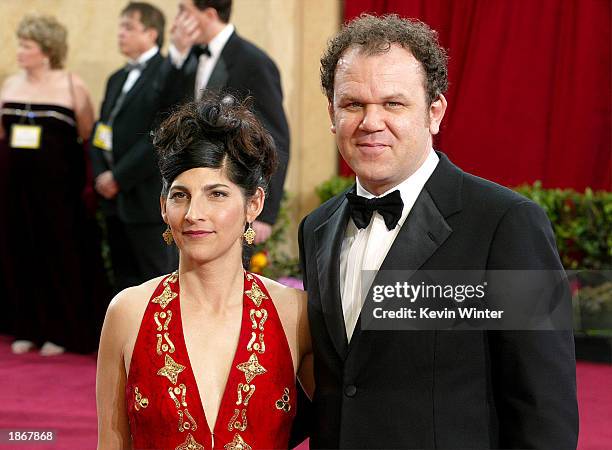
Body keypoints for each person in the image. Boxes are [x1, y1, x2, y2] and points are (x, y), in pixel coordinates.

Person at [298, 14, 579, 449]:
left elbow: (543, 406)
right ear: (332, 115)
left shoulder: (505, 224)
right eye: (353, 104)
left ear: (434, 113)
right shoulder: (316, 228)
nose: (371, 122)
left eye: (393, 104)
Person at [96, 94, 313, 449]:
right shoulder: (128, 313)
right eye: (180, 196)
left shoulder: (295, 313)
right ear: (164, 207)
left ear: (253, 204)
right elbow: (111, 442)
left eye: (216, 194)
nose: (194, 213)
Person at [0, 14, 104, 355]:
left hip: (59, 194)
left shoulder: (72, 85)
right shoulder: (11, 85)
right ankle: (27, 326)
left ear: (46, 51)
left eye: (27, 46)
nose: (20, 51)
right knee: (20, 253)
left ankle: (60, 331)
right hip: (16, 191)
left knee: (58, 256)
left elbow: (88, 137)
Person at [165, 0, 290, 243]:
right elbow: (166, 118)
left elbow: (275, 139)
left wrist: (266, 213)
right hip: (188, 202)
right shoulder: (187, 57)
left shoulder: (253, 61)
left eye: (184, 11)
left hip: (231, 201)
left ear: (209, 14)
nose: (177, 20)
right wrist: (176, 60)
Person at [90, 2, 176, 292]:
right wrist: (102, 173)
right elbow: (101, 130)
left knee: (152, 280)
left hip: (144, 196)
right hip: (113, 199)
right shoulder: (117, 77)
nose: (120, 34)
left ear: (152, 33)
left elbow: (159, 135)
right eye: (120, 27)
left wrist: (118, 177)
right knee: (121, 281)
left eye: (129, 27)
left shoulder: (166, 74)